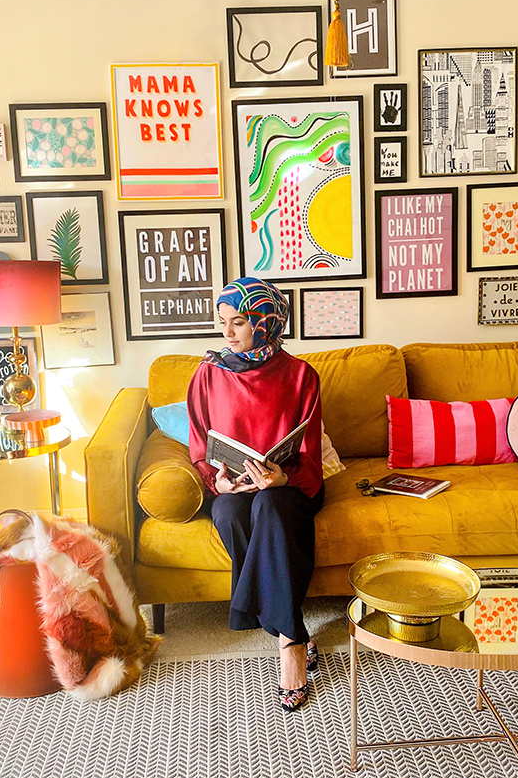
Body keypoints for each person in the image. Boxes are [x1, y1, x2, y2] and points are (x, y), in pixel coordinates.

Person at [187, 277, 324, 712]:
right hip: (234, 484)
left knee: (268, 505)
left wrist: (281, 478)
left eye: (240, 322)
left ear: (266, 323)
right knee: (227, 512)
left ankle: (289, 647)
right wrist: (217, 481)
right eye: (222, 321)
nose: (227, 333)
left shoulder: (302, 375)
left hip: (288, 486)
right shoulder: (207, 375)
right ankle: (294, 626)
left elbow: (310, 458)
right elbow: (199, 447)